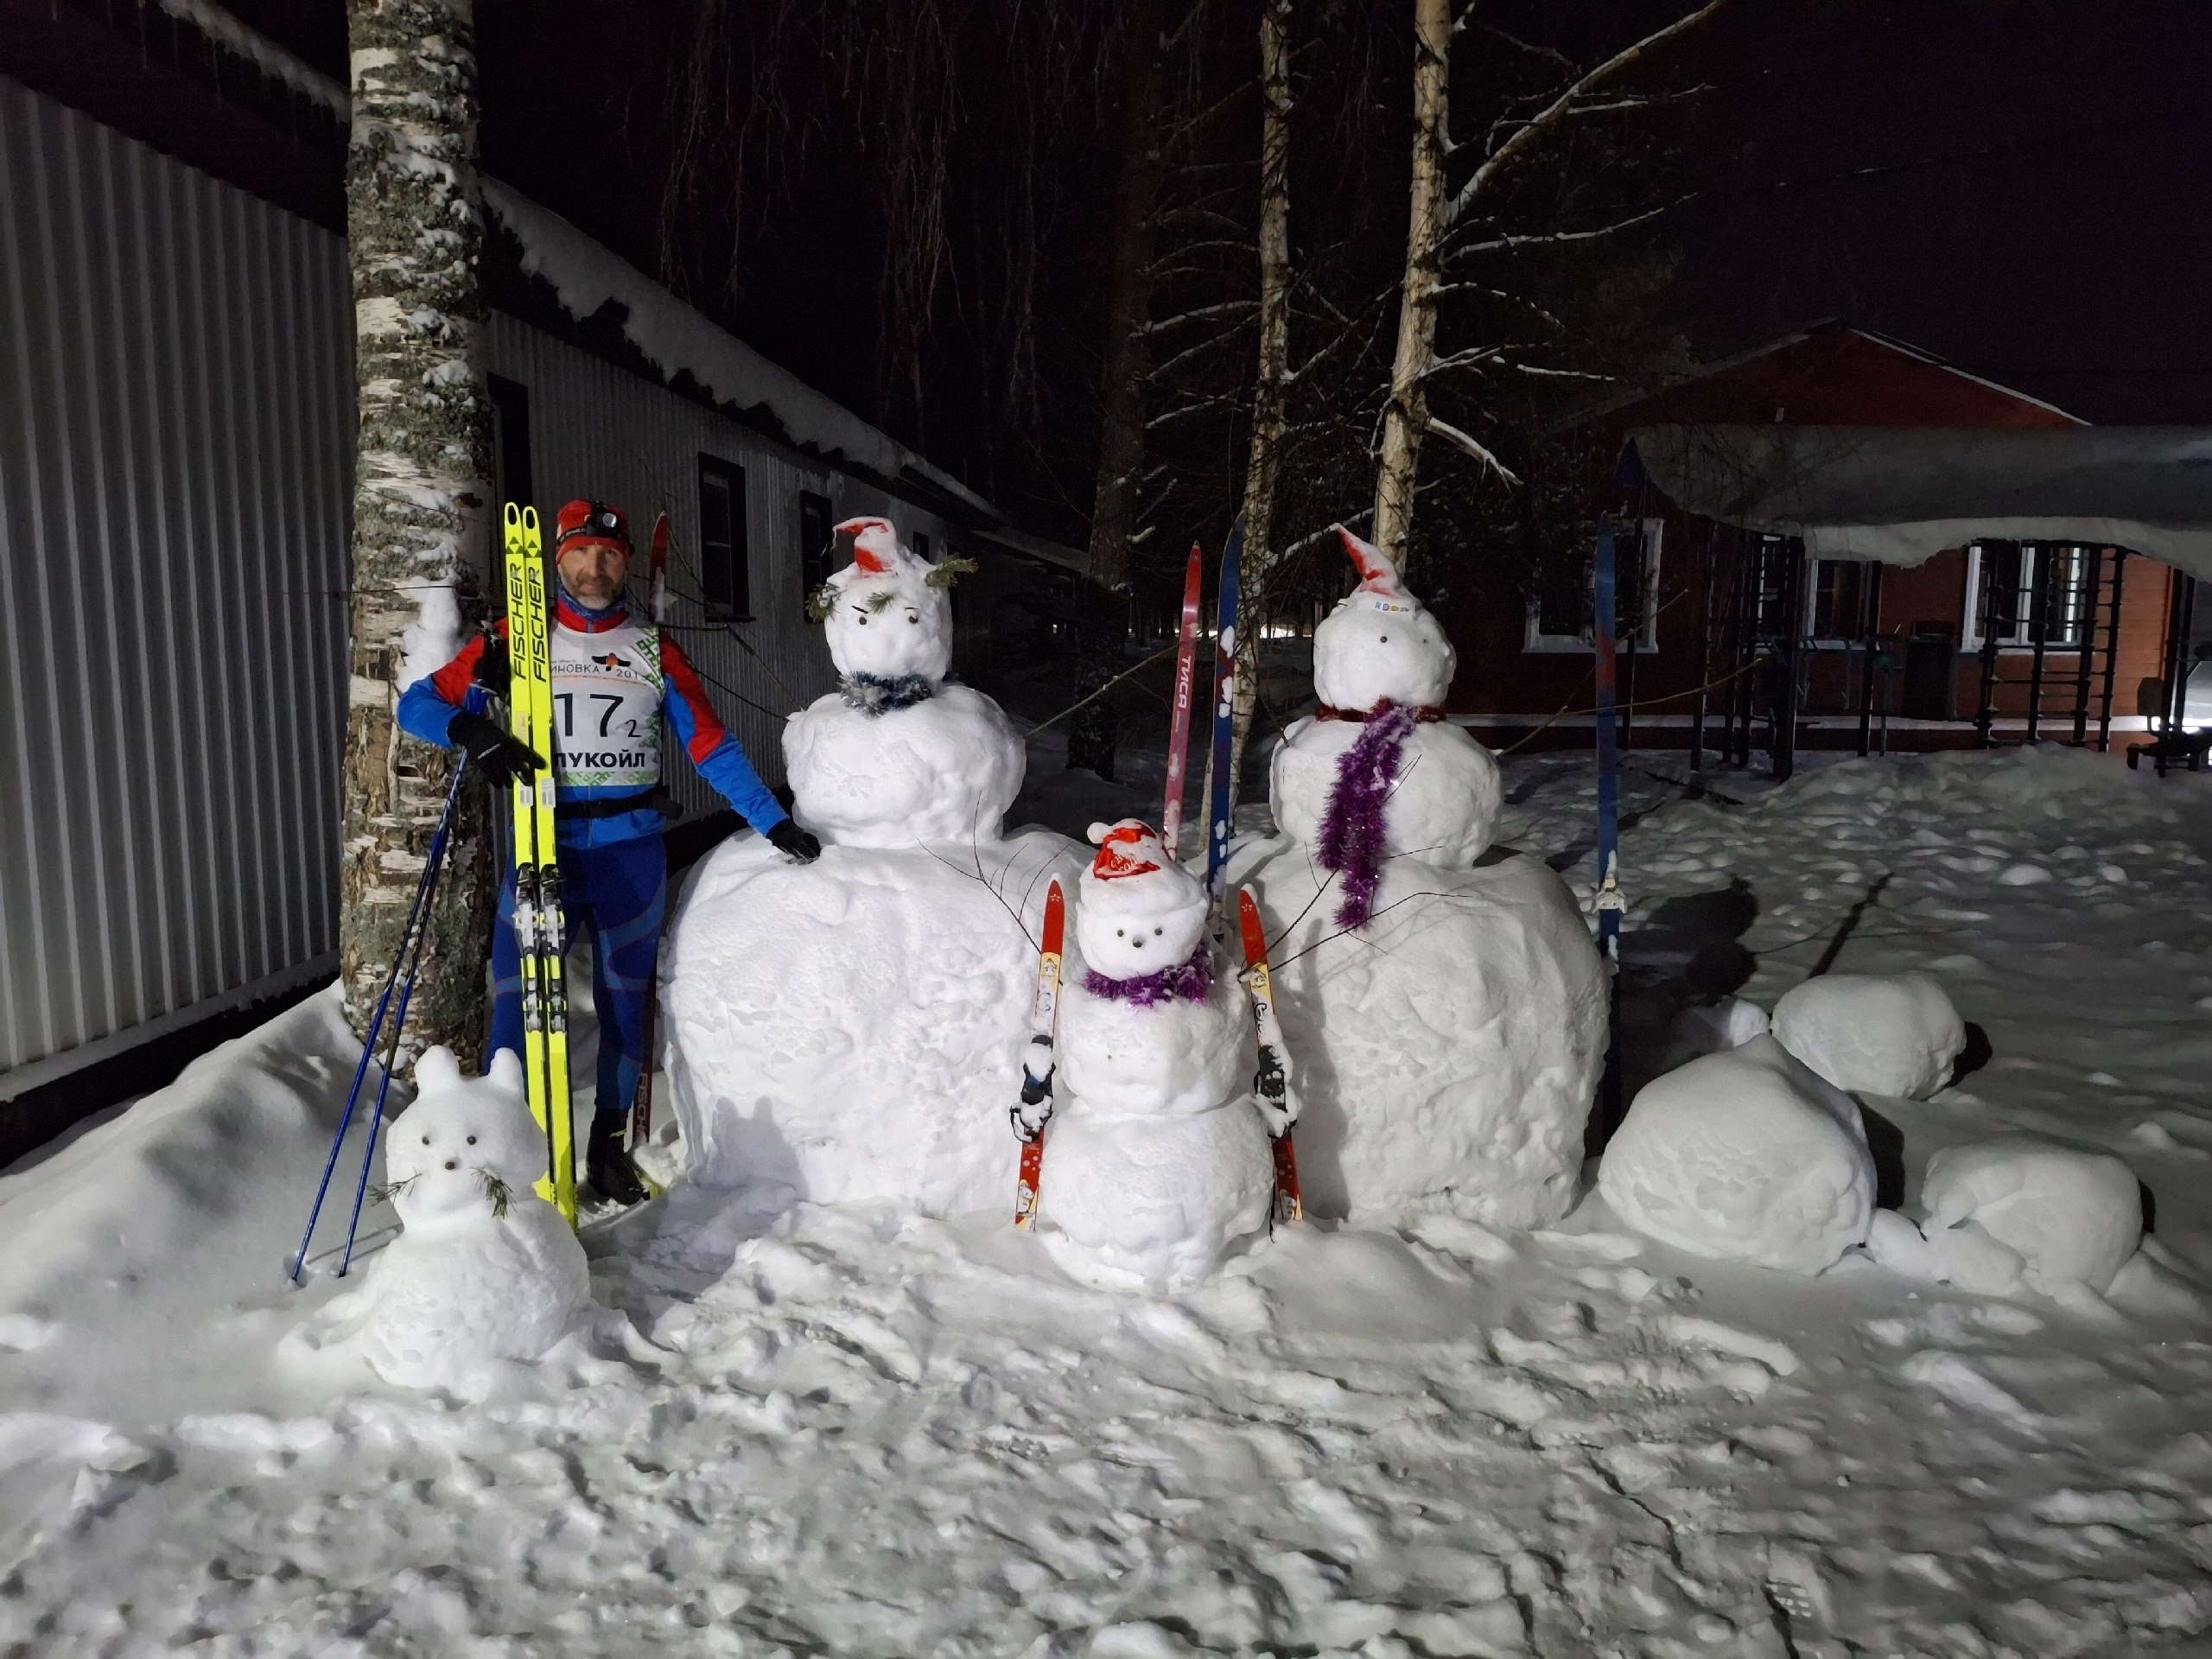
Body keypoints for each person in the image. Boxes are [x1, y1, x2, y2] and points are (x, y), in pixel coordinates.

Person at [399, 498, 819, 1205]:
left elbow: (710, 746)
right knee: (517, 1012)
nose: (595, 568)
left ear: (624, 564)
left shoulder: (655, 650)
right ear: (557, 558)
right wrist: (472, 729)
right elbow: (417, 704)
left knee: (628, 1012)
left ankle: (608, 1149)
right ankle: (511, 1161)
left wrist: (772, 822)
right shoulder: (515, 639)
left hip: (631, 856)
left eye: (610, 556)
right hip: (544, 849)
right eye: (581, 553)